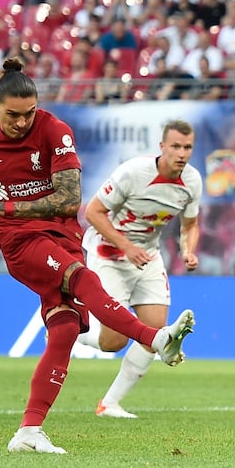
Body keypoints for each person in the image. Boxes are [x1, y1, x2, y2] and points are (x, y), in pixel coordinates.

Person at [0, 58, 195, 454]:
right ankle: (155, 339)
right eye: (12, 115)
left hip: (63, 236)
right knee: (83, 278)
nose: (22, 122)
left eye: (29, 113)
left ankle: (29, 431)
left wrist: (4, 206)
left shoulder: (55, 130)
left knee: (65, 330)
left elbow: (69, 199)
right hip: (22, 243)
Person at [78, 120, 202, 419]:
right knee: (113, 342)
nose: (181, 153)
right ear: (162, 147)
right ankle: (71, 331)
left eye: (187, 147)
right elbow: (93, 212)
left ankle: (109, 404)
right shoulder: (133, 173)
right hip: (108, 254)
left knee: (156, 333)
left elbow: (191, 225)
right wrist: (126, 246)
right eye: (175, 146)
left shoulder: (192, 182)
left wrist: (188, 250)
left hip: (146, 256)